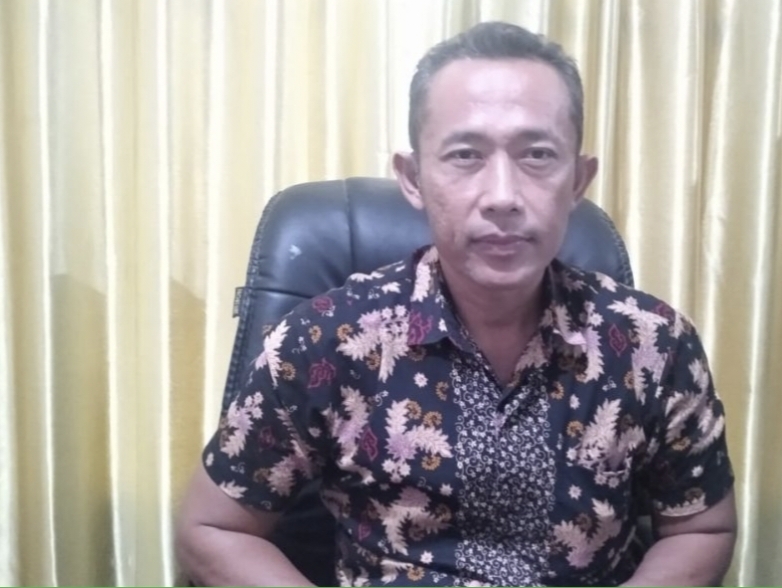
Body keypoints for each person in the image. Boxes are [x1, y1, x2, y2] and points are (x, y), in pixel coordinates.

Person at [175, 21, 737, 586]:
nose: (502, 196)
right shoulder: (327, 339)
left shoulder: (652, 343)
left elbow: (700, 528)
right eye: (465, 155)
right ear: (413, 178)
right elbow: (214, 526)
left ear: (578, 180)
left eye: (538, 155)